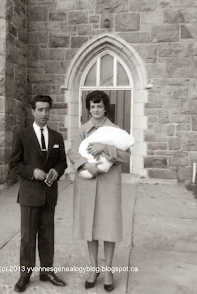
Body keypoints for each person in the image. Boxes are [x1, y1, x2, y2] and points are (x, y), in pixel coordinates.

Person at [67, 90, 130, 292]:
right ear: (89, 108)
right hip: (87, 184)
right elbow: (72, 152)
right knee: (91, 229)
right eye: (92, 106)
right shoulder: (82, 130)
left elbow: (125, 156)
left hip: (108, 185)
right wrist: (86, 166)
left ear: (105, 108)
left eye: (99, 106)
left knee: (109, 228)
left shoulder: (115, 130)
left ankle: (109, 270)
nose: (96, 110)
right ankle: (94, 268)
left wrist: (104, 147)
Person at [9, 95, 67, 293]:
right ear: (33, 112)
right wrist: (31, 172)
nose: (44, 113)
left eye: (47, 109)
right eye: (40, 110)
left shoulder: (57, 137)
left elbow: (63, 162)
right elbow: (14, 164)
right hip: (29, 195)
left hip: (49, 195)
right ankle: (24, 275)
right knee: (27, 237)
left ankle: (47, 271)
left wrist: (57, 171)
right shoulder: (22, 135)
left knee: (47, 236)